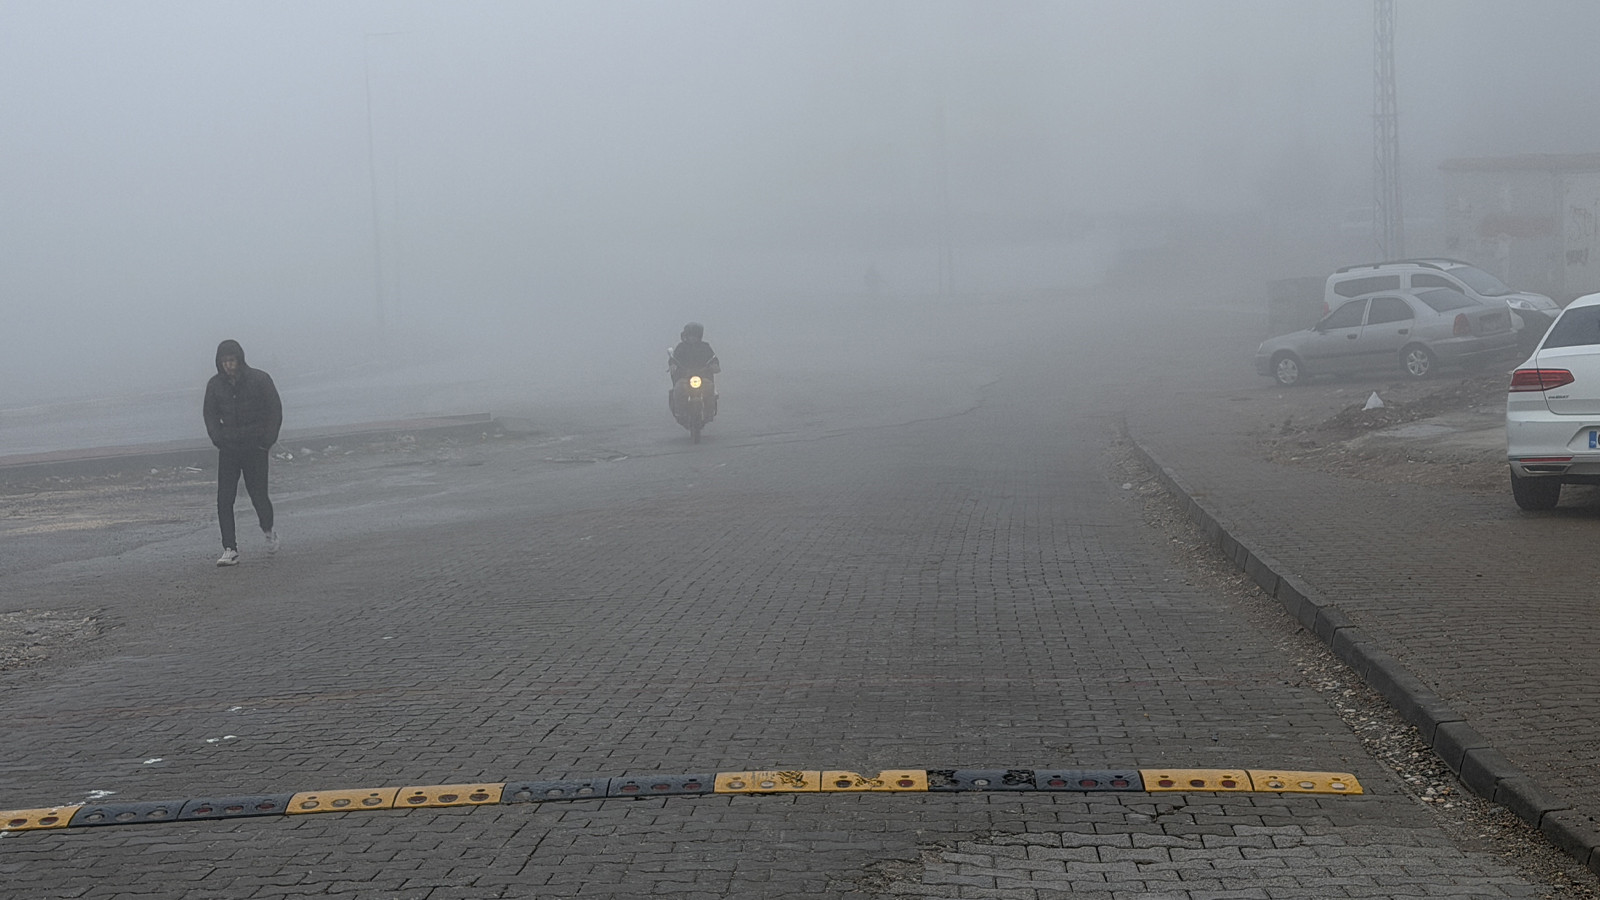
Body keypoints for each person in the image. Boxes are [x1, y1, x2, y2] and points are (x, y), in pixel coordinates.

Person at [202, 339, 283, 567]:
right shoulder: (215, 385)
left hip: (255, 447)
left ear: (240, 359)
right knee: (224, 499)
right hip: (228, 448)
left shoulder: (260, 379)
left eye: (232, 360)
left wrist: (266, 442)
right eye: (224, 361)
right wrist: (218, 438)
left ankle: (268, 531)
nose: (229, 365)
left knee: (258, 494)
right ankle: (230, 548)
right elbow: (209, 414)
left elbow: (274, 410)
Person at [668, 322, 719, 417]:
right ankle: (679, 412)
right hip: (684, 377)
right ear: (686, 335)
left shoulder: (705, 347)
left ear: (699, 336)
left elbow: (713, 358)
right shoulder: (681, 347)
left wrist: (714, 365)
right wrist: (672, 364)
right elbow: (673, 359)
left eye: (695, 335)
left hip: (703, 377)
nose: (692, 338)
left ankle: (709, 411)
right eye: (690, 335)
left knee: (710, 387)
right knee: (678, 388)